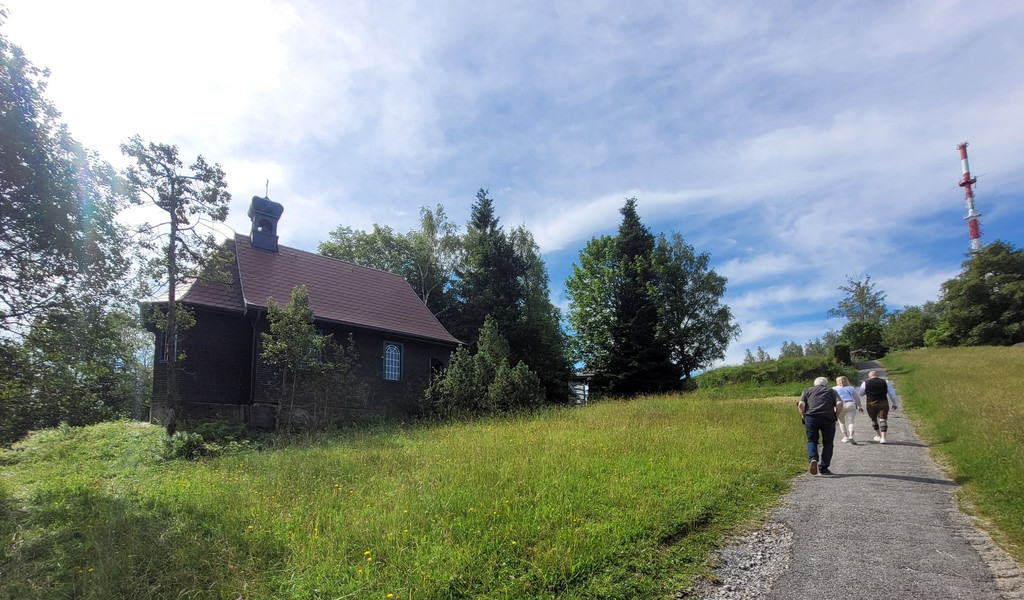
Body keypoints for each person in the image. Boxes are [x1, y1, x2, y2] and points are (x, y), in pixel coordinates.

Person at [798, 376, 843, 475]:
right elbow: (839, 403)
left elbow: (801, 404)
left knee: (812, 440)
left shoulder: (807, 391)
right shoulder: (831, 391)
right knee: (828, 443)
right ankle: (823, 468)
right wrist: (836, 415)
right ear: (825, 384)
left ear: (814, 384)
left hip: (811, 417)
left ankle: (813, 458)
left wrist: (803, 416)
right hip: (828, 418)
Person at [858, 370, 899, 444]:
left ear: (869, 377)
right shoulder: (885, 382)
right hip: (883, 402)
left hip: (871, 403)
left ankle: (878, 435)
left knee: (874, 419)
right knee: (883, 419)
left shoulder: (865, 383)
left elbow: (861, 394)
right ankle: (883, 438)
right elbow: (892, 393)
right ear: (877, 375)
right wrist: (894, 403)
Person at [833, 375, 863, 444]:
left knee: (841, 422)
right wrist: (859, 406)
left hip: (840, 405)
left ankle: (845, 437)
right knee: (851, 421)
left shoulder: (834, 388)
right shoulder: (851, 388)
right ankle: (851, 436)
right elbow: (857, 398)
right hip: (850, 404)